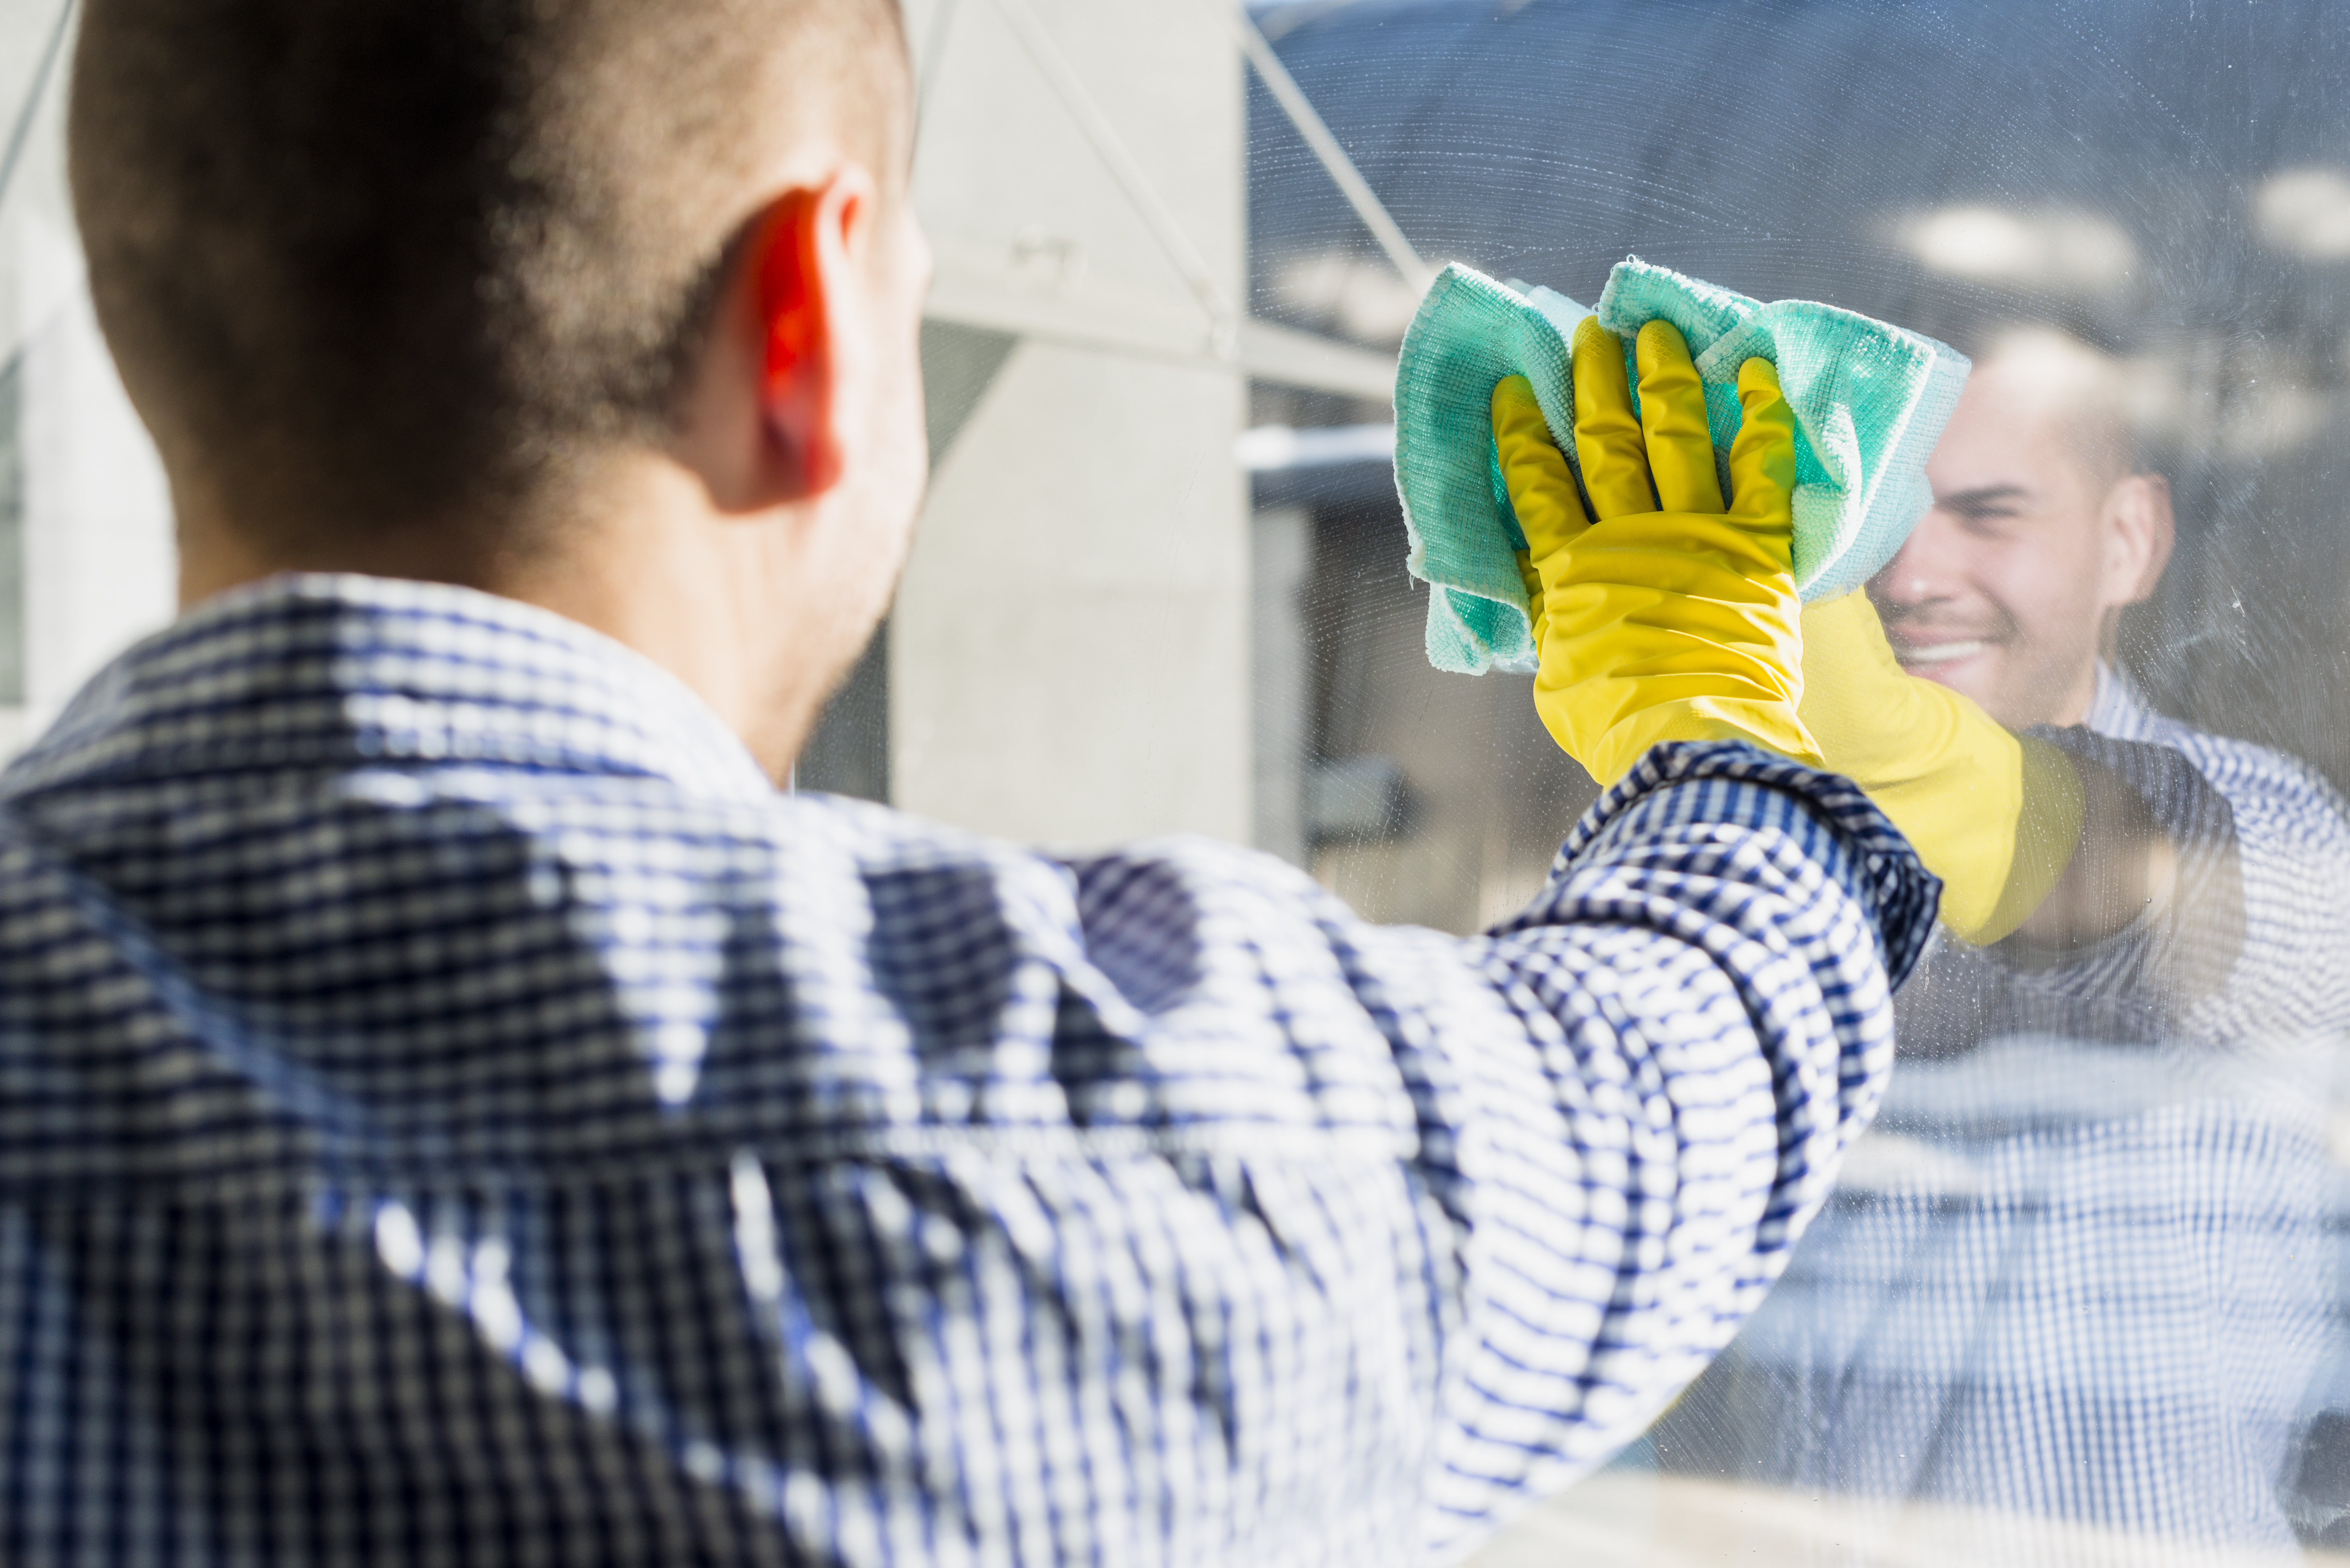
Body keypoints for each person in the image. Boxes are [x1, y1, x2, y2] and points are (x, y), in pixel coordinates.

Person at [0, 2, 1946, 1562]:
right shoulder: (1158, 1113)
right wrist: (1701, 705)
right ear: (812, 323)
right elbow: (1665, 1066)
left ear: (151, 308)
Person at [1649, 328, 2350, 1555]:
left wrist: (1911, 783)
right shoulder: (1761, 848)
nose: (1912, 575)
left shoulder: (2274, 822)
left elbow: (2162, 926)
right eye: (1867, 529)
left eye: (1987, 513)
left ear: (2125, 540)